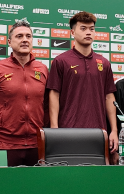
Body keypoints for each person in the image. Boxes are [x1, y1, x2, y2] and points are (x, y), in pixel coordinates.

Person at [0, 19, 48, 167]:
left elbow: (48, 106)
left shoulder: (42, 69)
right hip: (5, 144)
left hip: (37, 144)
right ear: (9, 42)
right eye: (19, 36)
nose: (25, 40)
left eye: (28, 36)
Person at [46, 11, 118, 154]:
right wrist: (54, 129)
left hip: (99, 133)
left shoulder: (104, 63)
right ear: (72, 32)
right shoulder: (61, 61)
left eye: (92, 29)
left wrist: (114, 130)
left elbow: (109, 97)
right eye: (83, 28)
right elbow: (54, 95)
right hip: (68, 131)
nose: (88, 32)